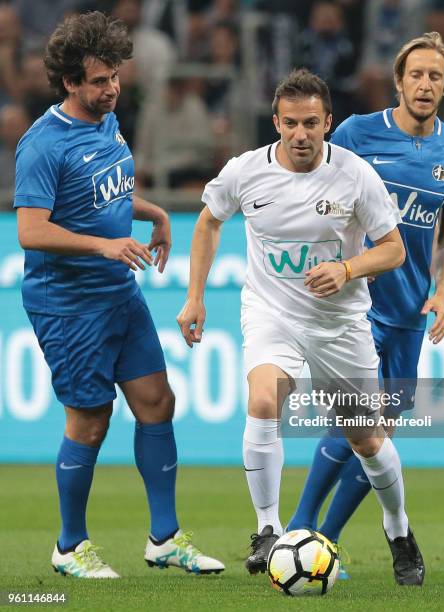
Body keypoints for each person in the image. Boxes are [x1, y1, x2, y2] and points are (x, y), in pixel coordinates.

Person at [177, 68, 426, 586]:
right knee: (264, 400)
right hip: (273, 314)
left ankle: (398, 529)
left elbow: (394, 248)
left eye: (311, 123)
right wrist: (194, 297)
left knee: (368, 440)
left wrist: (347, 269)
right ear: (276, 122)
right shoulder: (246, 172)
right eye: (290, 124)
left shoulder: (355, 175)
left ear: (328, 122)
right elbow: (207, 222)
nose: (300, 135)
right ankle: (268, 530)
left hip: (340, 325)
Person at [14, 11, 224, 579]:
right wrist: (103, 247)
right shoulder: (42, 146)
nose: (112, 88)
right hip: (68, 303)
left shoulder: (107, 122)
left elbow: (104, 195)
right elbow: (31, 231)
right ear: (69, 83)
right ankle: (70, 547)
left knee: (158, 401)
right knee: (90, 421)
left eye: (115, 76)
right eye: (99, 80)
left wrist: (152, 212)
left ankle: (164, 538)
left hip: (117, 294)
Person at [288, 32, 444, 570]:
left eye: (435, 76)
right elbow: (313, 193)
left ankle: (322, 541)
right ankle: (300, 531)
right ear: (398, 81)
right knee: (353, 423)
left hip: (410, 311)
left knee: (378, 436)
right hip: (356, 304)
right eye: (415, 74)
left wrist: (442, 291)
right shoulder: (356, 133)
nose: (424, 84)